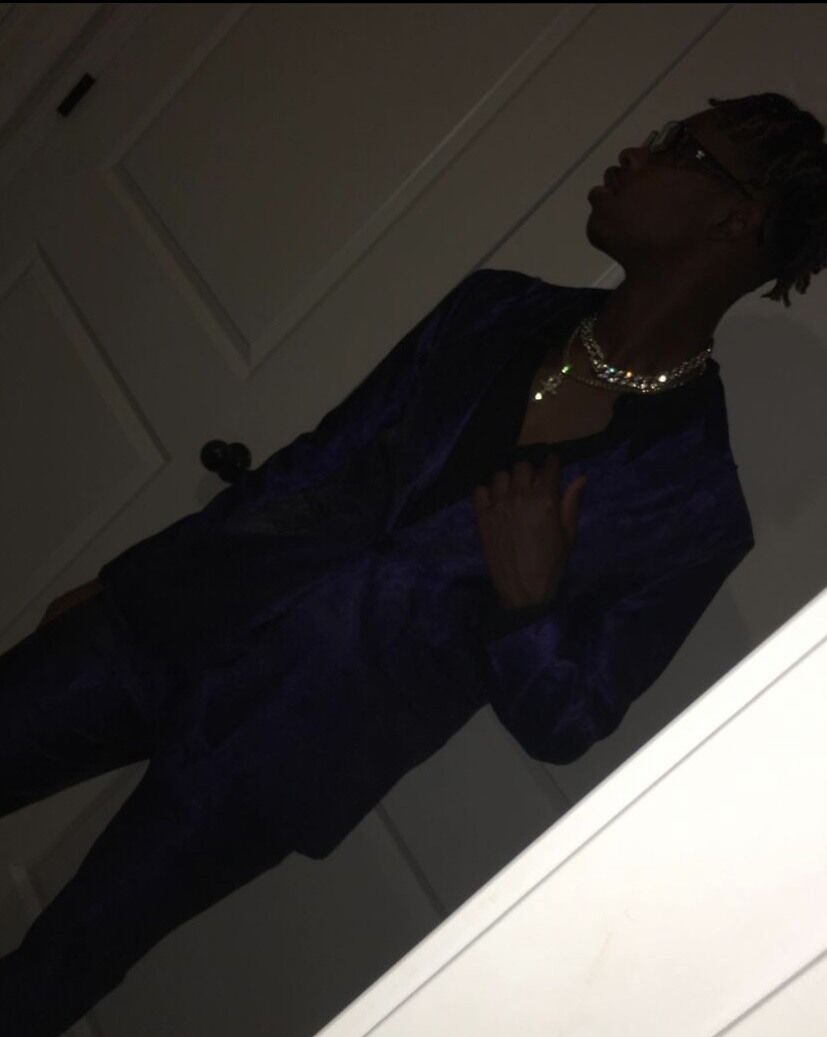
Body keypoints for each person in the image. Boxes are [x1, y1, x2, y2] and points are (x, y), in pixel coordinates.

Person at [1, 91, 825, 1035]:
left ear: (737, 217)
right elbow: (319, 457)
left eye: (678, 147)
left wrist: (527, 604)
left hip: (285, 756)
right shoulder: (493, 309)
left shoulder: (692, 504)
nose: (636, 151)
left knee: (56, 970)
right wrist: (126, 579)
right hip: (161, 625)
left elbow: (569, 719)